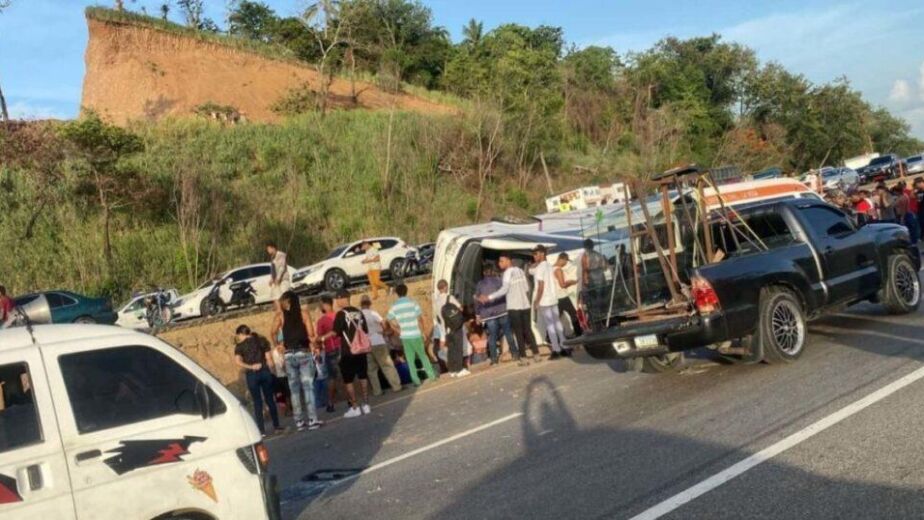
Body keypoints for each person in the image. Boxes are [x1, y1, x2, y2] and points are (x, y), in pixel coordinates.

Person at [270, 291, 321, 432]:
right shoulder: (304, 313)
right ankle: (312, 419)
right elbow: (310, 334)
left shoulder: (280, 316)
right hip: (303, 353)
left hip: (288, 355)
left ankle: (299, 421)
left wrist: (277, 345)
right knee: (308, 387)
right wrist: (315, 345)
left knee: (294, 390)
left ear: (286, 301)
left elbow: (272, 332)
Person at [478, 254, 538, 366]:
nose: (499, 264)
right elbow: (526, 288)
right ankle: (536, 354)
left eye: (501, 261)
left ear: (508, 261)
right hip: (525, 305)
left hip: (514, 306)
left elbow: (504, 290)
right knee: (528, 330)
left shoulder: (506, 273)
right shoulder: (520, 271)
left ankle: (523, 358)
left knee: (518, 332)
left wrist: (489, 297)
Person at [233, 325, 281, 437]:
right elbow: (269, 359)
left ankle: (262, 431)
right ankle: (277, 426)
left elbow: (238, 361)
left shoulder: (239, 346)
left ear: (241, 334)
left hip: (252, 375)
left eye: (238, 336)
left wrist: (250, 366)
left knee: (257, 402)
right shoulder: (262, 341)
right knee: (270, 399)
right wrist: (272, 371)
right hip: (265, 371)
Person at [387, 284, 438, 386]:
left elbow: (389, 319)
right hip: (416, 333)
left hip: (405, 336)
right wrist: (423, 332)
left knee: (410, 359)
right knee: (423, 355)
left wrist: (397, 330)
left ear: (397, 293)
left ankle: (416, 380)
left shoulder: (394, 306)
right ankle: (431, 375)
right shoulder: (413, 303)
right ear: (406, 291)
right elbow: (420, 319)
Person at [332, 290, 371, 418]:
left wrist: (321, 338)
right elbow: (365, 330)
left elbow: (335, 332)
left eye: (337, 298)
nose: (337, 301)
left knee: (348, 380)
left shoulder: (341, 314)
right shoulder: (359, 312)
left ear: (343, 298)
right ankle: (366, 405)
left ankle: (355, 407)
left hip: (348, 352)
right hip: (361, 350)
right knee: (363, 377)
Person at [474, 265, 518, 365]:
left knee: (492, 336)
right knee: (508, 333)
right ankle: (515, 353)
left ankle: (494, 359)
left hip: (488, 314)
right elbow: (506, 292)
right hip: (502, 310)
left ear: (484, 273)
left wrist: (477, 314)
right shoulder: (499, 281)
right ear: (493, 271)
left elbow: (477, 300)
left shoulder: (480, 284)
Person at [531, 245, 568, 359]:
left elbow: (541, 286)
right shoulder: (549, 266)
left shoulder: (539, 269)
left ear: (542, 254)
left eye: (536, 254)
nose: (534, 256)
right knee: (557, 323)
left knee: (550, 325)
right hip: (553, 298)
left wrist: (536, 301)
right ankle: (564, 346)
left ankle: (556, 349)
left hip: (544, 300)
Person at [359, 295, 402, 395]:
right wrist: (383, 331)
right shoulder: (373, 313)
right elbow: (382, 322)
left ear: (361, 305)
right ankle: (396, 386)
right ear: (369, 303)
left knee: (371, 370)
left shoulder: (359, 315)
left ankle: (377, 391)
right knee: (387, 365)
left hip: (366, 345)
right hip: (378, 341)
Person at [315, 294, 345, 413]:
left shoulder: (322, 321)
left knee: (332, 378)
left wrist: (317, 344)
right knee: (345, 375)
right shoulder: (339, 315)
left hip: (331, 350)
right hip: (343, 348)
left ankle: (331, 403)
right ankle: (351, 400)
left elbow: (319, 339)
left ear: (324, 304)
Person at [553, 252, 583, 337]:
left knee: (556, 319)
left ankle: (553, 336)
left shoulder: (551, 269)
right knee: (574, 315)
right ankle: (579, 334)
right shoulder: (558, 270)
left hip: (555, 297)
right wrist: (572, 282)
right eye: (566, 262)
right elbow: (562, 285)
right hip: (562, 296)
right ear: (562, 259)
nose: (565, 264)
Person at [440, 289, 468, 377]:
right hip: (455, 326)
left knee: (451, 349)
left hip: (445, 328)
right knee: (458, 347)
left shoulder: (436, 301)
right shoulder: (450, 298)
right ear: (446, 287)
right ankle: (459, 369)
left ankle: (452, 370)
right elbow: (460, 308)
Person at [581, 239, 608, 324]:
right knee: (602, 295)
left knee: (593, 298)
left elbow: (585, 268)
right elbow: (605, 267)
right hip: (601, 276)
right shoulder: (599, 254)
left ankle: (597, 317)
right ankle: (604, 314)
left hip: (591, 276)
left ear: (585, 246)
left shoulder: (585, 256)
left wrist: (584, 280)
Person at [266, 242, 290, 309]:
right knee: (275, 297)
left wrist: (278, 278)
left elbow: (281, 268)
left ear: (273, 248)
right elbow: (273, 269)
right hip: (276, 281)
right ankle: (280, 312)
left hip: (283, 280)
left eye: (269, 249)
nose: (268, 251)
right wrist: (272, 278)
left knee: (284, 296)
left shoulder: (281, 255)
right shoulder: (272, 257)